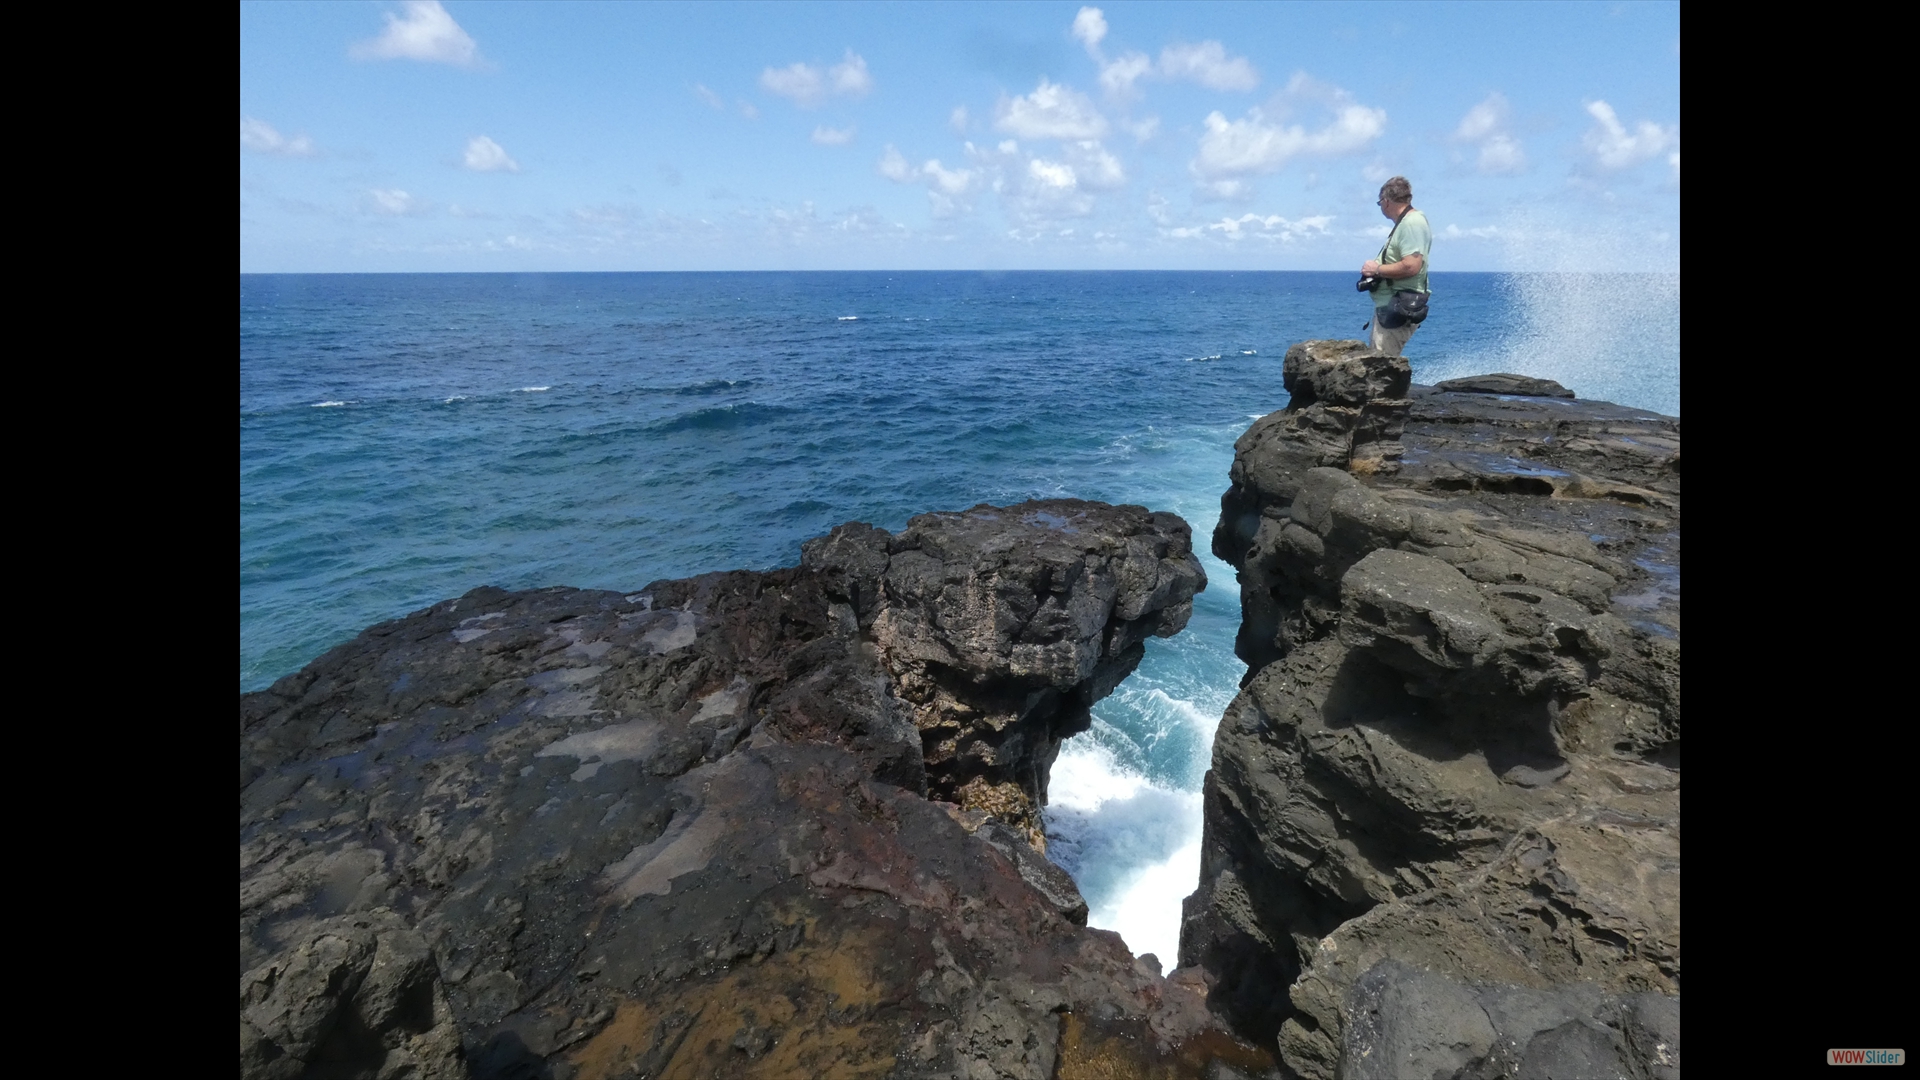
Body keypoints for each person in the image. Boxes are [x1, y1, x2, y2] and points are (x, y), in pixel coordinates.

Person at [1360, 176, 1431, 356]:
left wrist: (1376, 270)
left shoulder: (1412, 223)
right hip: (1391, 305)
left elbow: (1411, 266)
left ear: (1386, 202)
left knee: (1381, 369)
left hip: (1398, 306)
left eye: (1379, 203)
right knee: (1379, 366)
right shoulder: (1406, 223)